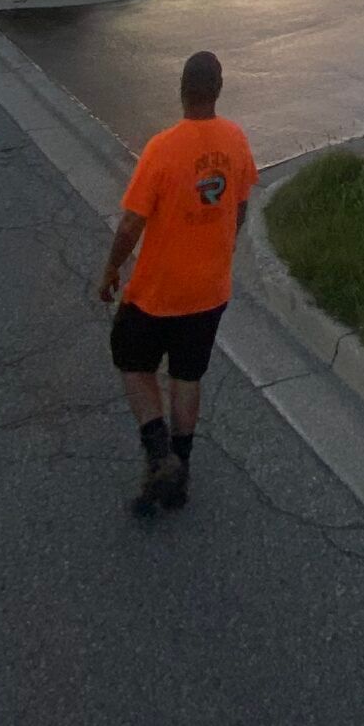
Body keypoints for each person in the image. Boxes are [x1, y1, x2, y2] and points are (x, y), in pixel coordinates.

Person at [97, 49, 257, 514]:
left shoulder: (162, 149)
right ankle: (179, 475)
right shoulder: (235, 140)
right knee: (187, 375)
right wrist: (223, 246)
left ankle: (159, 453)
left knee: (131, 359)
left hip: (158, 294)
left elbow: (130, 225)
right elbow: (241, 203)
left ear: (182, 90)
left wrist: (111, 267)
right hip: (210, 292)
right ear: (218, 90)